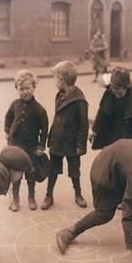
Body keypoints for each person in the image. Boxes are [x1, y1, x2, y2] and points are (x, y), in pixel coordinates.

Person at [41, 60, 89, 210]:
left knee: (75, 171)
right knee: (53, 169)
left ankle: (78, 194)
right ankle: (49, 195)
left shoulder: (79, 101)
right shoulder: (60, 95)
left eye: (55, 77)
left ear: (62, 79)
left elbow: (84, 126)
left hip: (72, 143)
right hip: (57, 141)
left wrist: (81, 146)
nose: (55, 80)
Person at [4, 70, 49, 212]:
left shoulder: (39, 109)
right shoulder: (14, 105)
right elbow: (8, 118)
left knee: (30, 174)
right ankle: (15, 199)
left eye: (28, 88)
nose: (25, 92)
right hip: (15, 145)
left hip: (30, 147)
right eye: (21, 89)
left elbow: (44, 129)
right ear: (16, 89)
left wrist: (41, 146)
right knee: (16, 174)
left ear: (34, 88)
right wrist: (7, 131)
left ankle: (31, 197)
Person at [89, 67, 132, 150]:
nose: (116, 95)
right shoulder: (109, 93)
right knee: (110, 154)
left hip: (127, 132)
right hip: (111, 130)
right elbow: (101, 112)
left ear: (127, 87)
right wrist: (94, 131)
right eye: (114, 91)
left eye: (120, 93)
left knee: (125, 154)